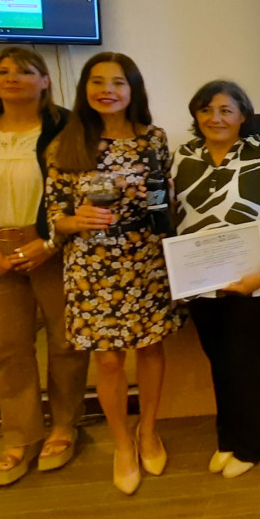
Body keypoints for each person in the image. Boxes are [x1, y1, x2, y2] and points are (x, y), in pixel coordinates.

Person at [0, 47, 90, 487]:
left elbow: (77, 191)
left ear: (45, 81)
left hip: (53, 246)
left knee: (66, 342)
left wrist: (49, 242)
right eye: (3, 72)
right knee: (6, 349)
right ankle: (20, 437)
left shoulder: (66, 126)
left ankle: (64, 427)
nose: (13, 78)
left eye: (25, 71)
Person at [45, 52, 182, 495]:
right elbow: (53, 218)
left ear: (133, 90)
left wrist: (164, 199)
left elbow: (167, 202)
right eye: (98, 81)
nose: (107, 90)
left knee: (151, 348)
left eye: (118, 82)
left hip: (146, 257)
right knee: (107, 358)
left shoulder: (154, 139)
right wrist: (75, 219)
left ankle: (148, 431)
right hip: (92, 265)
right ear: (85, 88)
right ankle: (122, 442)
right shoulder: (64, 143)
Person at [171, 80, 260, 479]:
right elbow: (170, 215)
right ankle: (228, 436)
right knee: (219, 361)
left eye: (225, 110)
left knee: (245, 361)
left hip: (252, 278)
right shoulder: (182, 157)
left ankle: (254, 442)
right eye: (206, 110)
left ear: (243, 116)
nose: (215, 118)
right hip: (200, 282)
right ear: (196, 115)